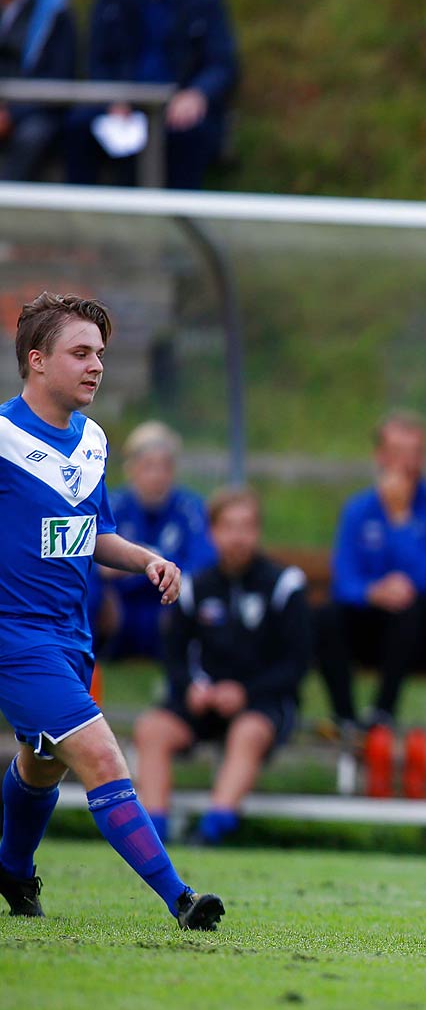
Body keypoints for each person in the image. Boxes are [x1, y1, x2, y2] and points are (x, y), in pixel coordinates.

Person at [0, 291, 222, 927]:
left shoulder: (92, 441)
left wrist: (147, 558)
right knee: (101, 755)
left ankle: (12, 870)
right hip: (16, 636)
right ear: (36, 361)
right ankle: (182, 899)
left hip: (71, 634)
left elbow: (91, 533)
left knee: (41, 766)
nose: (96, 365)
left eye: (100, 353)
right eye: (80, 353)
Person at [131, 487, 308, 844]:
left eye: (246, 527)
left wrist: (245, 692)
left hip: (263, 702)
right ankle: (154, 834)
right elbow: (174, 656)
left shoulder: (284, 585)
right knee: (152, 729)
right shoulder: (195, 585)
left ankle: (213, 828)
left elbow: (296, 664)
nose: (237, 537)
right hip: (204, 701)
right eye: (228, 527)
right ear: (213, 532)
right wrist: (192, 689)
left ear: (257, 532)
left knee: (248, 732)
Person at [315, 410, 426, 798]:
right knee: (327, 615)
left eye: (414, 452)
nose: (405, 463)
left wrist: (400, 521)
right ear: (380, 456)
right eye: (396, 452)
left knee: (410, 608)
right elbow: (344, 578)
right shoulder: (358, 510)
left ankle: (381, 715)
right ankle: (348, 720)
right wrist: (372, 592)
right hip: (373, 626)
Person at [65, 0, 237, 190]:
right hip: (123, 104)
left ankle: (177, 222)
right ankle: (79, 217)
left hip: (176, 106)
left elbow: (222, 63)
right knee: (78, 127)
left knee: (187, 136)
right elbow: (96, 57)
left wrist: (197, 94)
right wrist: (112, 98)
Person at [98, 420, 213, 658]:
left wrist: (147, 561)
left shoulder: (191, 508)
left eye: (165, 467)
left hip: (166, 604)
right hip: (121, 604)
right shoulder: (112, 505)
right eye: (148, 466)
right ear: (131, 469)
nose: (157, 475)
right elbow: (91, 559)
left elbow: (204, 561)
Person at [0, 0, 76, 182]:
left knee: (32, 136)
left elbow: (60, 76)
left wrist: (11, 115)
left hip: (34, 111)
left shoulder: (56, 9)